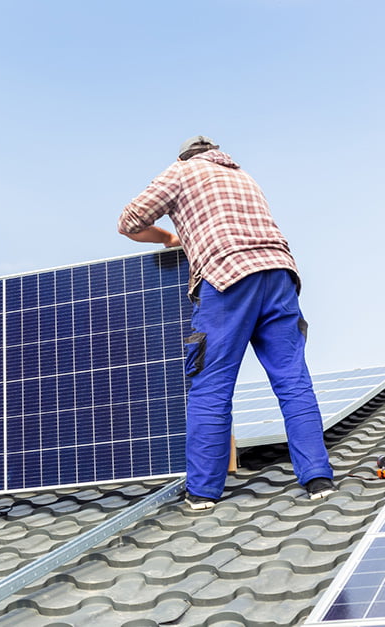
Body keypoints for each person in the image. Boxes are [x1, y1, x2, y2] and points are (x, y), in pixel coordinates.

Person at [117, 135, 335, 511]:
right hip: (280, 275)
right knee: (293, 380)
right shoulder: (243, 176)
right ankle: (318, 478)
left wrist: (168, 237)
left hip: (226, 277)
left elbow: (129, 221)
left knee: (211, 385)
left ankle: (203, 491)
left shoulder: (181, 172)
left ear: (184, 157)